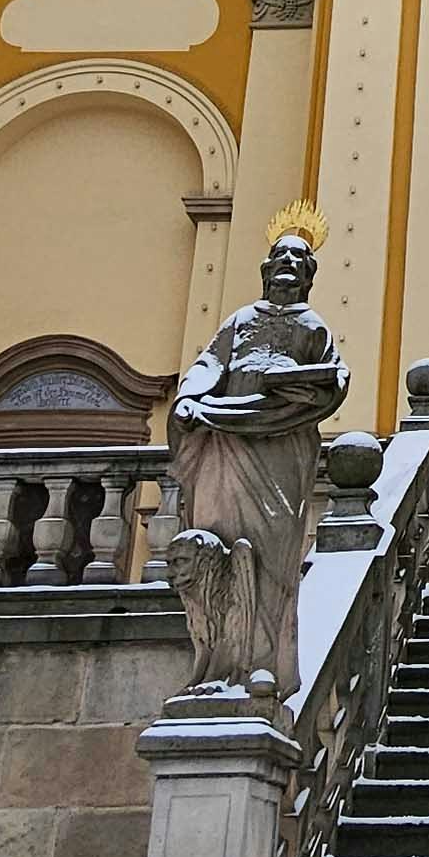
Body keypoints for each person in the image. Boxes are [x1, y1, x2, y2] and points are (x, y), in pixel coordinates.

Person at [164, 207, 350, 695]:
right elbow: (210, 363)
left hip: (280, 452)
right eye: (280, 256)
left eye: (299, 258)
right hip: (228, 444)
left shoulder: (313, 327)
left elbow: (334, 378)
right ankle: (220, 662)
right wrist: (189, 399)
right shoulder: (240, 321)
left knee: (270, 557)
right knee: (215, 546)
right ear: (267, 270)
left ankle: (264, 665)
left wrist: (305, 386)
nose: (288, 263)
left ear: (309, 276)